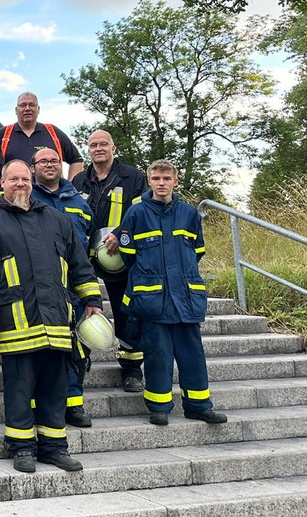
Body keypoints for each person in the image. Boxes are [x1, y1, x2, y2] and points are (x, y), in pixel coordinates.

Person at [0, 159, 102, 474]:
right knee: (19, 387)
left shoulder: (57, 219)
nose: (20, 184)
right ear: (1, 183)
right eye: (13, 179)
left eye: (24, 179)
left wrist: (91, 298)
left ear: (32, 182)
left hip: (56, 320)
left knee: (55, 388)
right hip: (15, 319)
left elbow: (79, 264)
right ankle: (22, 447)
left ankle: (54, 447)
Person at [116, 160, 227, 427]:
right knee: (158, 355)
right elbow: (128, 255)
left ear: (175, 181)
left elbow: (197, 251)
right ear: (149, 181)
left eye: (166, 178)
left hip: (186, 298)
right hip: (153, 299)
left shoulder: (189, 213)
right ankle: (159, 406)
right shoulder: (136, 213)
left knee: (193, 355)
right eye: (156, 178)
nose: (161, 182)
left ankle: (199, 405)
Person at [72, 129, 148, 392]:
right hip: (84, 256)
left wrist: (121, 234)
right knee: (82, 306)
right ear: (88, 150)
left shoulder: (133, 177)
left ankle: (131, 370)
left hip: (120, 256)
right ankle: (82, 357)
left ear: (113, 148)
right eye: (93, 145)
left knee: (125, 311)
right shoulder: (79, 180)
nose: (98, 148)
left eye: (103, 144)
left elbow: (141, 213)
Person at [30, 147, 95, 429]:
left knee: (76, 350)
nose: (49, 165)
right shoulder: (26, 198)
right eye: (42, 161)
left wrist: (91, 295)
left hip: (72, 288)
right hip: (38, 287)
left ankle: (74, 403)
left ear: (62, 165)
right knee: (40, 351)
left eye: (54, 160)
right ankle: (39, 405)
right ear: (33, 168)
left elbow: (86, 250)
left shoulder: (79, 203)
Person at [0, 93, 84, 178]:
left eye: (32, 105)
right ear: (16, 110)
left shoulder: (53, 132)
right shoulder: (2, 135)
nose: (27, 108)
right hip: (16, 190)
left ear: (38, 109)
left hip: (51, 192)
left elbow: (76, 160)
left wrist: (71, 187)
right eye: (23, 105)